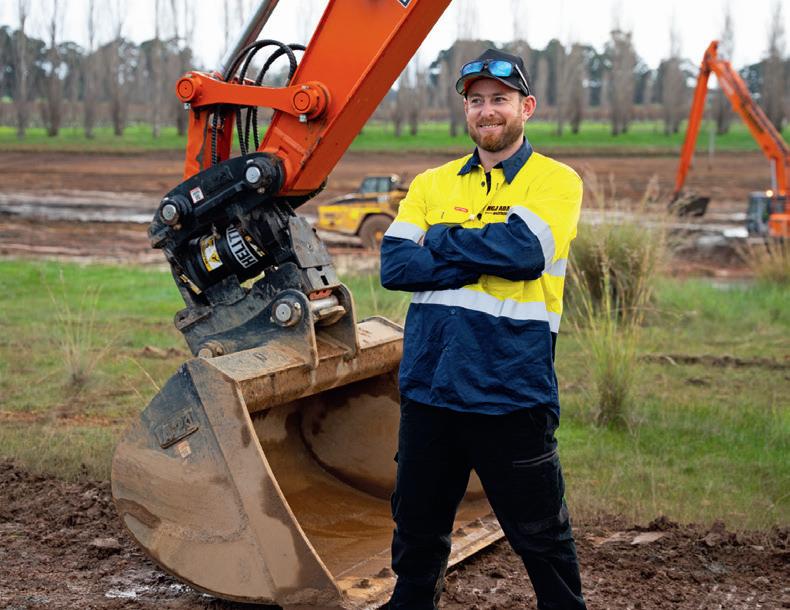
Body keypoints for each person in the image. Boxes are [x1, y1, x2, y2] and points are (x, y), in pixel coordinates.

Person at [379, 48, 587, 610]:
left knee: (542, 538)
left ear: (526, 107)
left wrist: (440, 238)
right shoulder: (432, 183)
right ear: (466, 110)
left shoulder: (556, 181)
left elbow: (523, 254)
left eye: (500, 99)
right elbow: (396, 265)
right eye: (476, 101)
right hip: (430, 388)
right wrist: (480, 253)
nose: (487, 110)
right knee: (417, 534)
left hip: (510, 389)